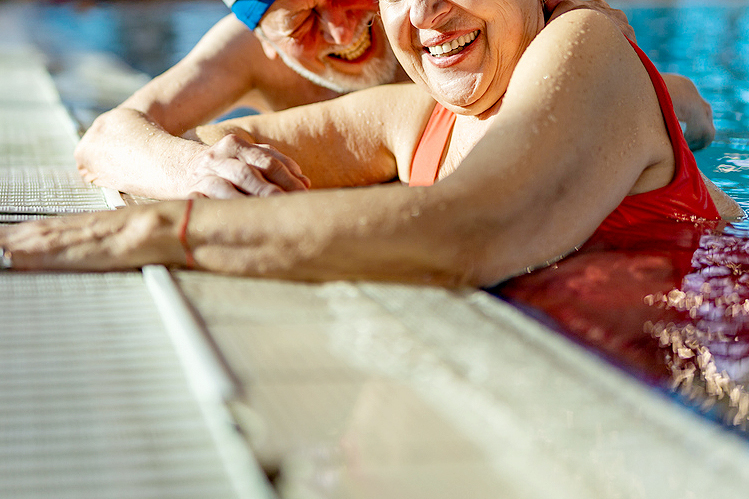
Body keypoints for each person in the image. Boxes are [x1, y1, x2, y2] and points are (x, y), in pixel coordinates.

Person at [0, 1, 742, 288]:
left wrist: (163, 230)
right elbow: (223, 149)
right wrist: (192, 172)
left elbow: (470, 228)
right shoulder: (407, 118)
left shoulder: (588, 42)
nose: (422, 11)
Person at [72, 0, 716, 200]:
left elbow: (687, 109)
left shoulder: (462, 18)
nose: (345, 33)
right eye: (301, 25)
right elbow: (106, 138)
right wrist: (193, 171)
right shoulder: (239, 51)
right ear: (262, 41)